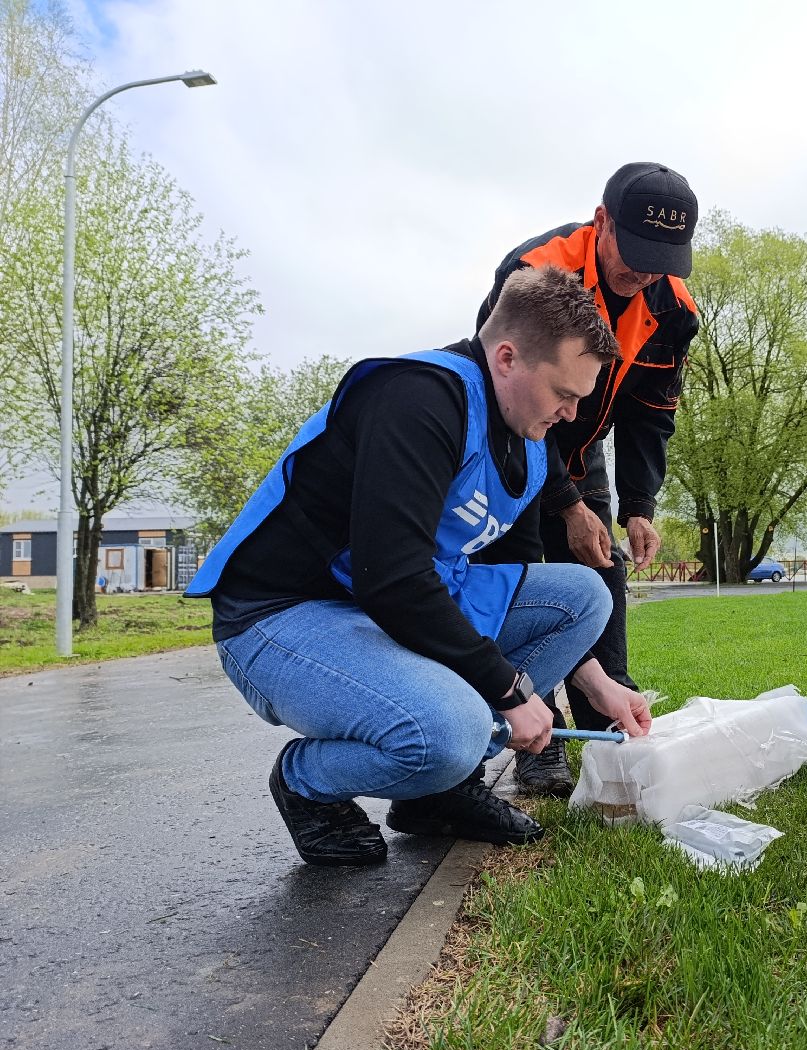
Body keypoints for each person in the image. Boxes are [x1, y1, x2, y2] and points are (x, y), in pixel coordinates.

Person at [184, 265, 653, 867]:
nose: (569, 414)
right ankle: (308, 781)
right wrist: (508, 690)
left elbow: (499, 585)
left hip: (376, 607)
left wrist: (597, 682)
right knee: (452, 731)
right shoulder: (418, 400)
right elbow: (394, 578)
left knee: (585, 597)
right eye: (564, 394)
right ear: (506, 358)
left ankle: (438, 792)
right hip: (281, 616)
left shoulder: (526, 440)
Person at [472, 162, 700, 796]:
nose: (646, 272)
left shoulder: (674, 310)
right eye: (635, 252)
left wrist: (638, 503)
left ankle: (610, 733)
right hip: (515, 436)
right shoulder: (535, 270)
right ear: (602, 222)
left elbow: (651, 411)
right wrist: (566, 505)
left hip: (583, 444)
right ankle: (535, 741)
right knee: (522, 576)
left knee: (604, 574)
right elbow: (502, 390)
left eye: (664, 259)